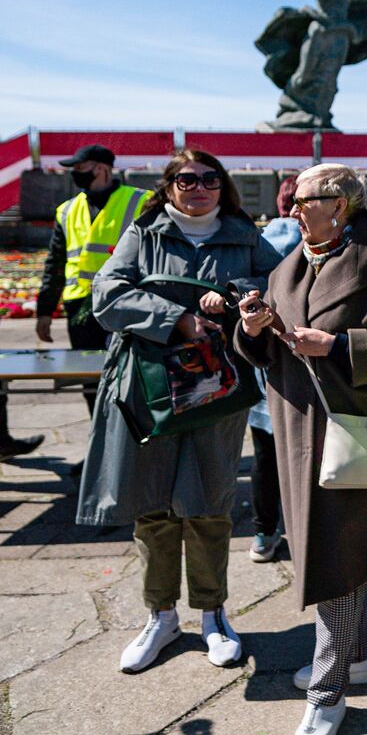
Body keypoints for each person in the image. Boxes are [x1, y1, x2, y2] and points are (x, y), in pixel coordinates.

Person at [236, 163, 367, 735]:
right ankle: (361, 656)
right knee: (345, 553)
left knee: (333, 559)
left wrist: (339, 344)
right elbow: (271, 348)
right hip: (298, 431)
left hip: (355, 429)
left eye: (303, 199)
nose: (292, 208)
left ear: (340, 203)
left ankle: (327, 691)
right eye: (291, 199)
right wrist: (253, 328)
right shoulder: (290, 263)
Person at [74, 150, 281, 675]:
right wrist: (178, 319)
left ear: (223, 186)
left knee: (210, 501)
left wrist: (234, 297)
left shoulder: (242, 234)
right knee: (152, 504)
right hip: (149, 388)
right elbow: (107, 293)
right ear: (168, 187)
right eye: (186, 179)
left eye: (210, 179)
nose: (199, 187)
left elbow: (275, 287)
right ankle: (160, 616)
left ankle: (213, 614)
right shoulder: (145, 235)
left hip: (216, 387)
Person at [5, 144, 151, 465]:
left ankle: (133, 449)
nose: (74, 173)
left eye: (80, 166)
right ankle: (101, 449)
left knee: (130, 381)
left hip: (126, 307)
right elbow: (55, 264)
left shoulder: (141, 201)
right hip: (80, 310)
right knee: (90, 384)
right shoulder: (67, 210)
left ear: (101, 168)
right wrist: (45, 311)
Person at [246, 174, 302, 563]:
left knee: (264, 457)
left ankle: (264, 534)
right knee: (305, 455)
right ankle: (305, 534)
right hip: (302, 366)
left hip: (263, 367)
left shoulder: (259, 239)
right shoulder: (313, 243)